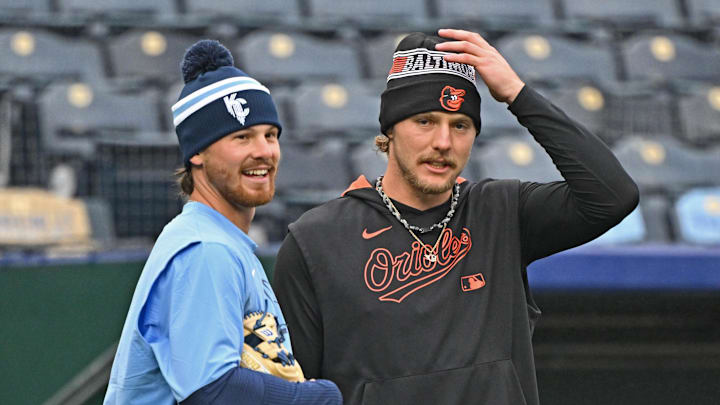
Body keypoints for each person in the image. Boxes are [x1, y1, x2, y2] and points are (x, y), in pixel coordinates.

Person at [272, 29, 639, 405]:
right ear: (390, 129)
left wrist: (516, 94)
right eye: (425, 121)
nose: (444, 143)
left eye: (460, 125)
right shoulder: (315, 240)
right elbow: (297, 390)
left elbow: (612, 196)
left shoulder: (502, 211)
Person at [104, 40, 342, 405]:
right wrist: (313, 398)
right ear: (197, 153)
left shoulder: (225, 242)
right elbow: (211, 391)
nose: (263, 150)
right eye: (242, 137)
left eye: (270, 135)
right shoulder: (206, 251)